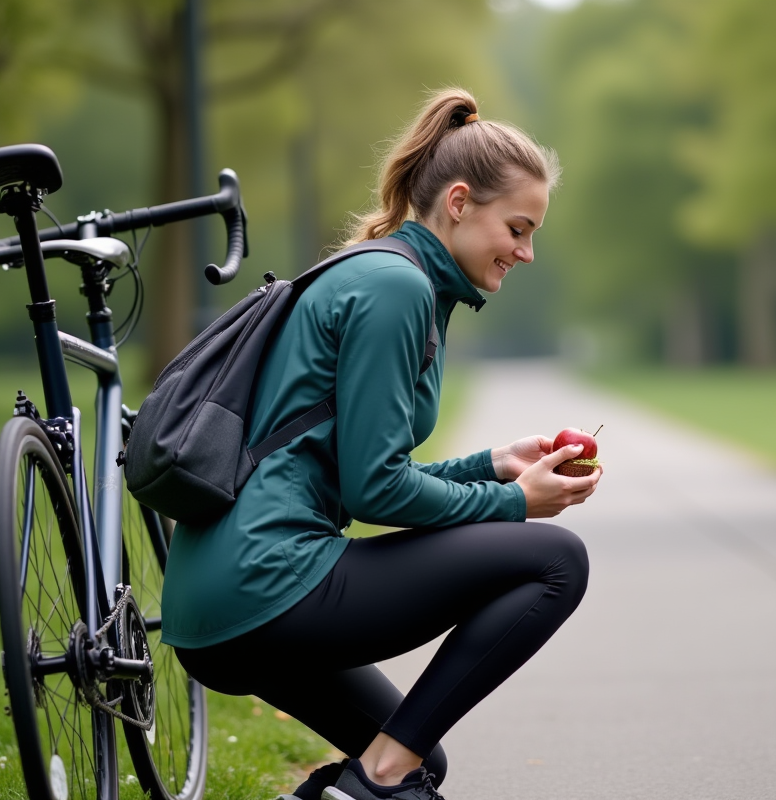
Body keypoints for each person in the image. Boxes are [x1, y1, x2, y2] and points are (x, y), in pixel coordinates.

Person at [159, 88, 600, 800]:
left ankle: (368, 782)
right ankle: (378, 779)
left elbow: (361, 468)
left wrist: (493, 465)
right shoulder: (397, 288)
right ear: (459, 202)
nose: (526, 252)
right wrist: (516, 502)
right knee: (557, 561)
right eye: (518, 229)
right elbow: (376, 491)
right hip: (267, 583)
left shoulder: (383, 272)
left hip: (213, 606)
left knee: (416, 759)